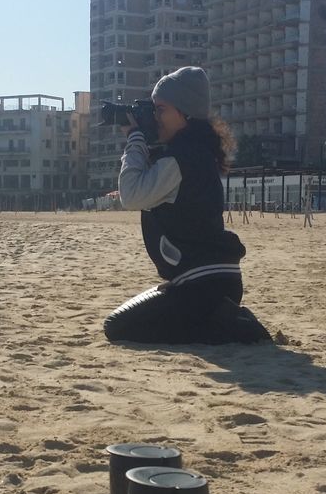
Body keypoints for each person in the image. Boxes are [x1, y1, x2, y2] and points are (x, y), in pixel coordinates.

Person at [103, 66, 270, 345]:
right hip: (213, 280)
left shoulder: (179, 159)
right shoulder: (194, 153)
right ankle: (223, 318)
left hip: (202, 284)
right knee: (133, 319)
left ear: (185, 113)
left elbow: (131, 195)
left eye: (161, 110)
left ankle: (235, 326)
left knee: (118, 328)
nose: (155, 118)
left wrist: (135, 138)